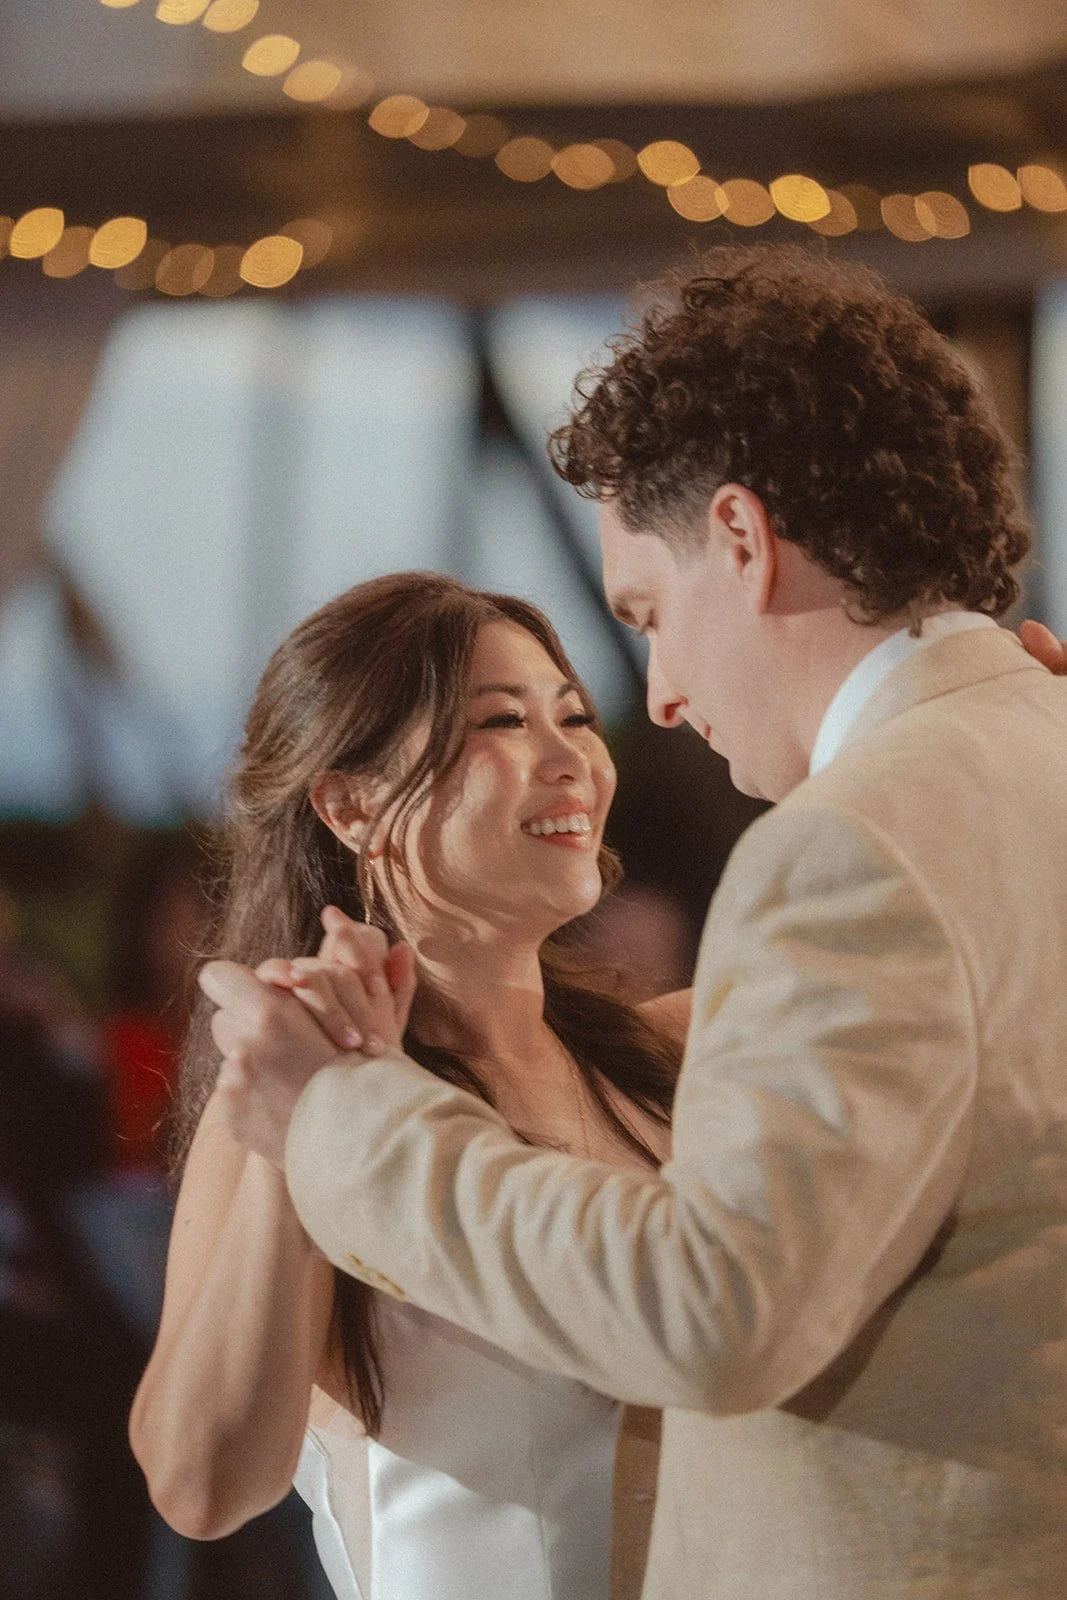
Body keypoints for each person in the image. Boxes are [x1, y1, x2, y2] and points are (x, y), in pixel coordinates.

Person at [204, 246, 1067, 1599]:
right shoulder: (1034, 749)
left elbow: (710, 1312)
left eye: (645, 617)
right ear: (347, 804)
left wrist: (345, 1117)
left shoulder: (847, 846)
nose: (651, 698)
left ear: (738, 536)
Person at [129, 573, 685, 1600]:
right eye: (505, 721)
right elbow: (201, 1484)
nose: (572, 760)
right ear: (350, 803)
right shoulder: (294, 1108)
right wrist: (315, 1120)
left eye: (574, 714)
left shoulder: (673, 1058)